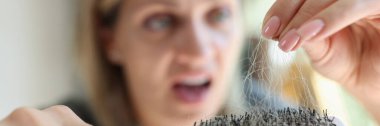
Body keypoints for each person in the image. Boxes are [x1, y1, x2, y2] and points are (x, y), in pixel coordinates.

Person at [0, 0, 379, 126]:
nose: (198, 52)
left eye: (217, 15)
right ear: (110, 39)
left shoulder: (277, 117)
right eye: (161, 21)